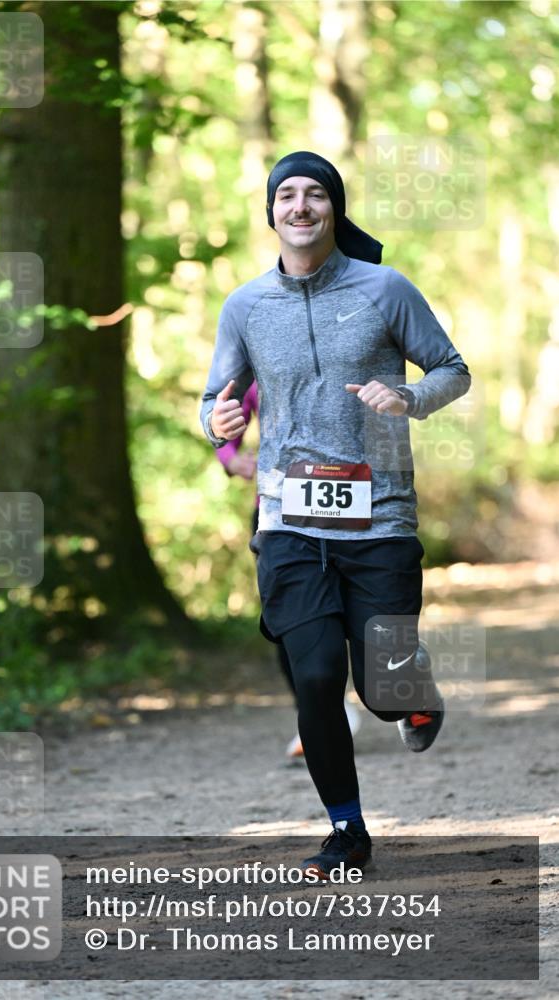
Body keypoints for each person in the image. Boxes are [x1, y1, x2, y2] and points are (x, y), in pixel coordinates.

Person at [200, 150, 471, 877]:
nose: (299, 206)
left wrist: (407, 397)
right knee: (316, 675)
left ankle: (411, 694)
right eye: (285, 195)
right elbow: (212, 399)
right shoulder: (245, 306)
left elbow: (452, 369)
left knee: (381, 690)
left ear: (333, 208)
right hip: (288, 519)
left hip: (380, 516)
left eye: (314, 194)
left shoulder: (385, 289)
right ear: (271, 212)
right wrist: (216, 424)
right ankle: (346, 831)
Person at [215, 381, 361, 757]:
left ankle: (388, 689)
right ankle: (316, 711)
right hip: (279, 512)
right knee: (288, 617)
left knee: (355, 606)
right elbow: (225, 420)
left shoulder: (351, 352)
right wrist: (230, 458)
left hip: (356, 501)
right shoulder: (256, 359)